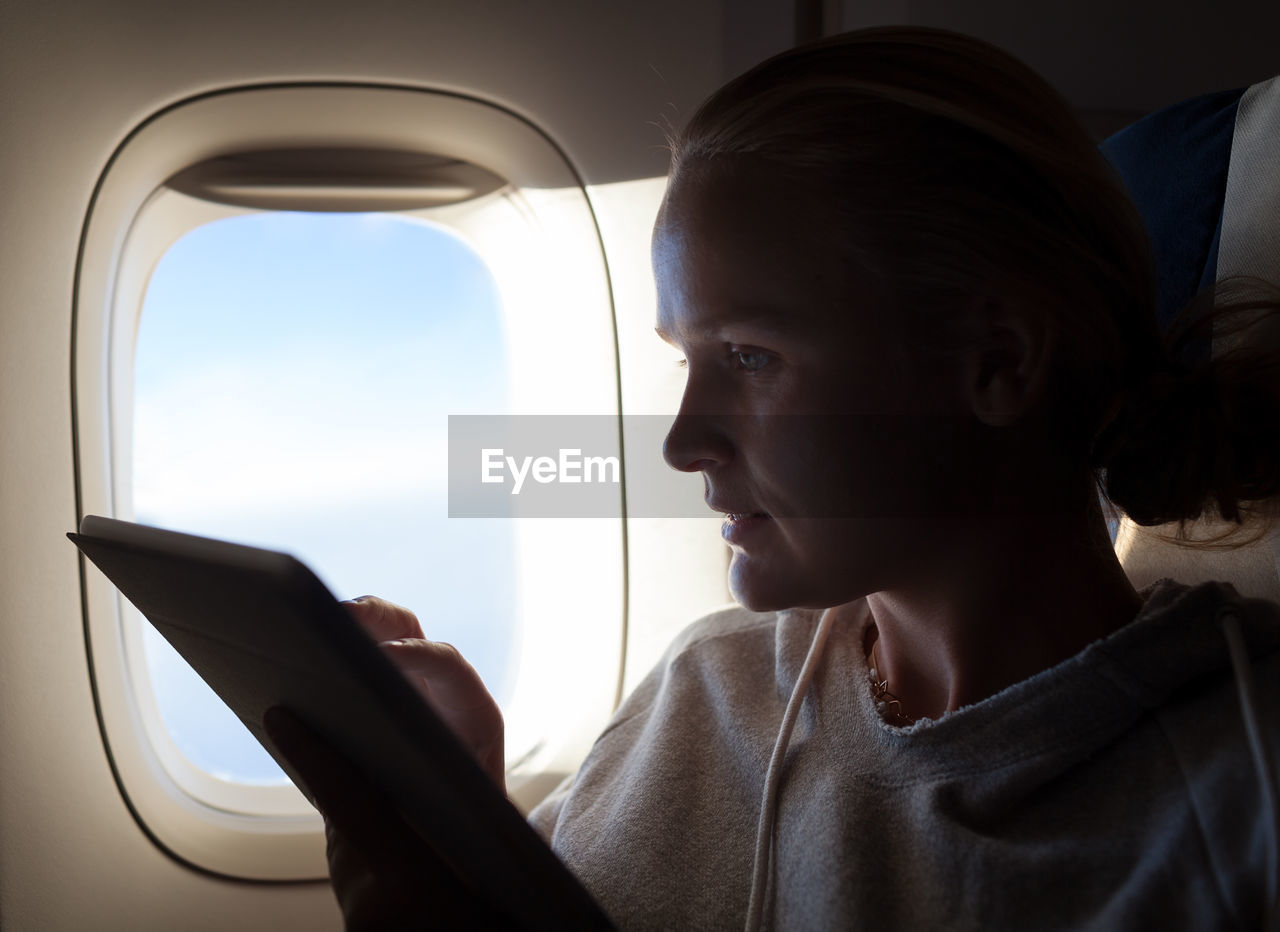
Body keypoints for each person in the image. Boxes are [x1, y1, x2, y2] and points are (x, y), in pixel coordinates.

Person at [267, 25, 1280, 930]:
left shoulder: (1240, 778)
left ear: (996, 362)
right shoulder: (701, 691)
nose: (681, 441)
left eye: (748, 354)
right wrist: (459, 824)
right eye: (685, 356)